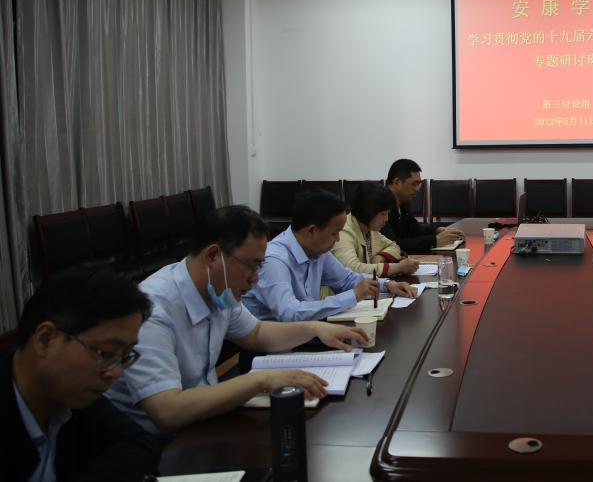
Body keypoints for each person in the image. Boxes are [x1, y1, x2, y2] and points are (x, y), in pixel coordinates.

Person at [106, 206, 367, 434]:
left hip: (204, 422)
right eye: (252, 266)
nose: (256, 278)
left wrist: (315, 328)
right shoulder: (153, 309)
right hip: (154, 445)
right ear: (213, 256)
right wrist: (260, 381)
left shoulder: (218, 290)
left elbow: (256, 333)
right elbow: (167, 411)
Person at [3, 269, 161, 481]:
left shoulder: (75, 401)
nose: (116, 372)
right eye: (105, 353)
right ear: (45, 340)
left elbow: (139, 442)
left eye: (124, 355)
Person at [243, 190, 416, 322]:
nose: (338, 239)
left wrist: (387, 285)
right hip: (269, 349)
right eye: (335, 233)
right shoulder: (274, 260)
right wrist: (354, 295)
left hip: (306, 334)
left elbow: (346, 279)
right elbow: (290, 313)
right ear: (312, 231)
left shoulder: (317, 251)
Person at [333, 182, 419, 276]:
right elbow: (352, 269)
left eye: (387, 213)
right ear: (368, 211)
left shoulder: (369, 228)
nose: (386, 219)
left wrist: (380, 257)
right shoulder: (343, 231)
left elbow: (394, 246)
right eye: (383, 214)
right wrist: (397, 268)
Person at [382, 159, 463, 253]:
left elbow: (414, 229)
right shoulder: (380, 205)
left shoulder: (403, 201)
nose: (417, 189)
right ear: (397, 182)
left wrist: (437, 230)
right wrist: (435, 241)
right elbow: (393, 245)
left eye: (419, 184)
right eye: (414, 184)